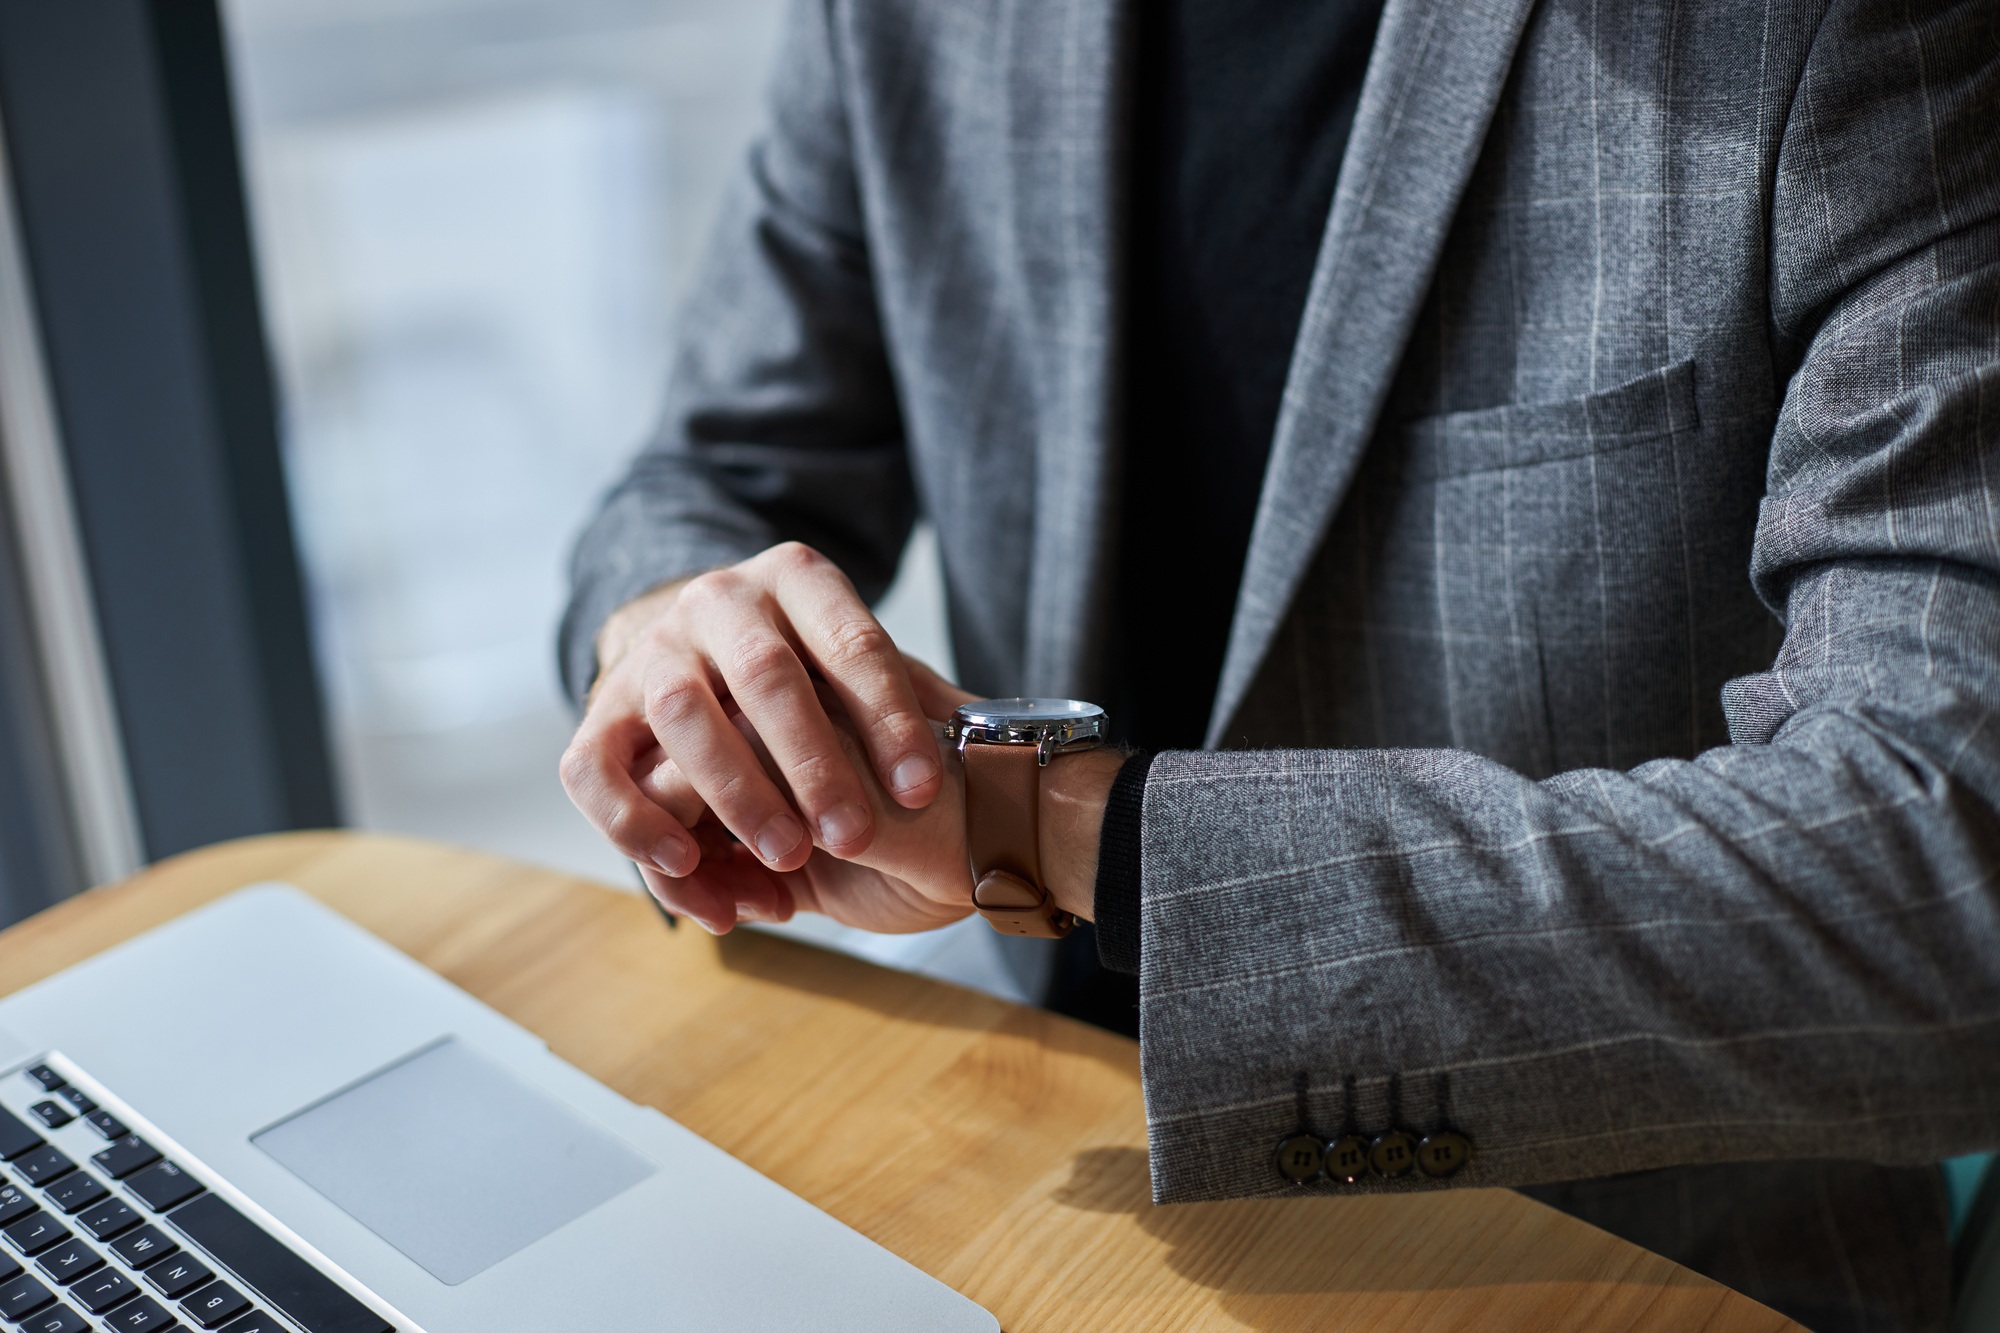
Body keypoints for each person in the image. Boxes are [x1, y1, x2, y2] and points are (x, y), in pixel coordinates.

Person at [558, 1, 2000, 1328]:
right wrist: (676, 638)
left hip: (1614, 1267)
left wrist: (1053, 824)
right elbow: (715, 468)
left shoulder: (1852, 35)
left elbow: (1944, 875)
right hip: (1037, 1195)